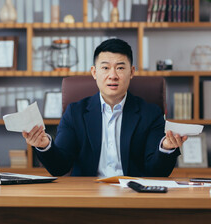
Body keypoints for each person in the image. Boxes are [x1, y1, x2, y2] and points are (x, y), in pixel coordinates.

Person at [22, 38, 188, 177]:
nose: (113, 75)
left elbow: (156, 172)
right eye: (105, 67)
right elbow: (60, 167)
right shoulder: (75, 113)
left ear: (132, 72)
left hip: (134, 196)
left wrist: (166, 148)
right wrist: (44, 146)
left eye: (120, 68)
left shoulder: (150, 114)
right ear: (94, 72)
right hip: (88, 196)